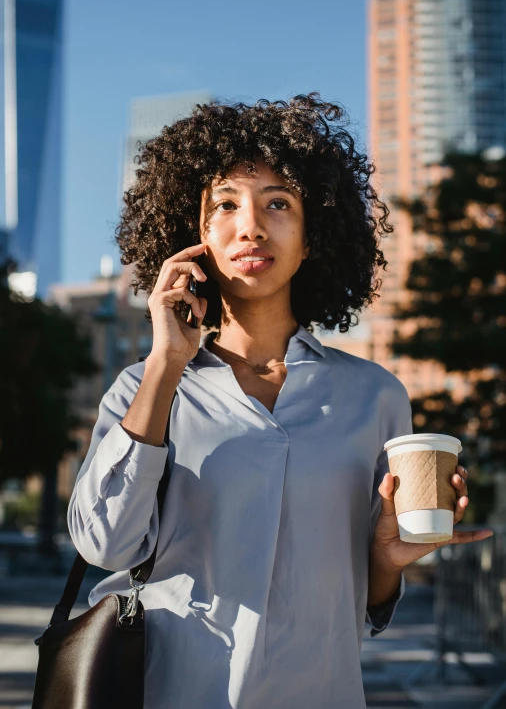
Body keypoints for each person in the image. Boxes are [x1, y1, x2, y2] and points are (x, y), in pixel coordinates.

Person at [68, 93, 490, 709]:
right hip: (173, 692)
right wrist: (166, 362)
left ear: (311, 235)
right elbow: (102, 544)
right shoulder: (144, 386)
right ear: (197, 237)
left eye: (278, 204)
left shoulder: (375, 396)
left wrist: (388, 562)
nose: (252, 226)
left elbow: (369, 602)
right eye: (227, 206)